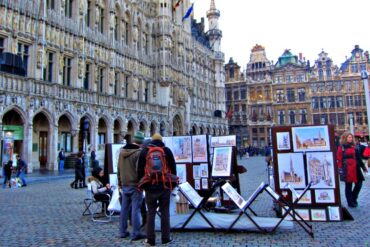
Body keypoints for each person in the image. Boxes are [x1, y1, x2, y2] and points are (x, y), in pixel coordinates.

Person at [137, 133, 177, 246]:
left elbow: (139, 170)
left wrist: (143, 185)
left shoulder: (144, 151)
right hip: (164, 185)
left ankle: (150, 240)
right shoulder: (167, 151)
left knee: (151, 212)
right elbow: (173, 168)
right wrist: (172, 185)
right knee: (165, 212)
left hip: (150, 186)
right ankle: (166, 238)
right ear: (161, 140)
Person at [118, 130, 146, 241]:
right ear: (141, 142)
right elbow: (140, 170)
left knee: (124, 209)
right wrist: (141, 183)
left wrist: (120, 182)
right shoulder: (139, 153)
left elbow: (119, 168)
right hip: (135, 184)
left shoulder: (122, 152)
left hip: (124, 184)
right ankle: (136, 232)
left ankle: (122, 231)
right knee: (136, 209)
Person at [337, 132, 368, 207]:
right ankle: (350, 202)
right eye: (349, 137)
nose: (350, 139)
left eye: (351, 137)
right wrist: (340, 169)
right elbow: (339, 159)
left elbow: (358, 157)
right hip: (347, 168)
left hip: (356, 167)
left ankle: (354, 198)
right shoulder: (341, 147)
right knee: (348, 185)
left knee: (359, 184)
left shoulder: (354, 146)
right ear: (345, 138)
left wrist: (363, 167)